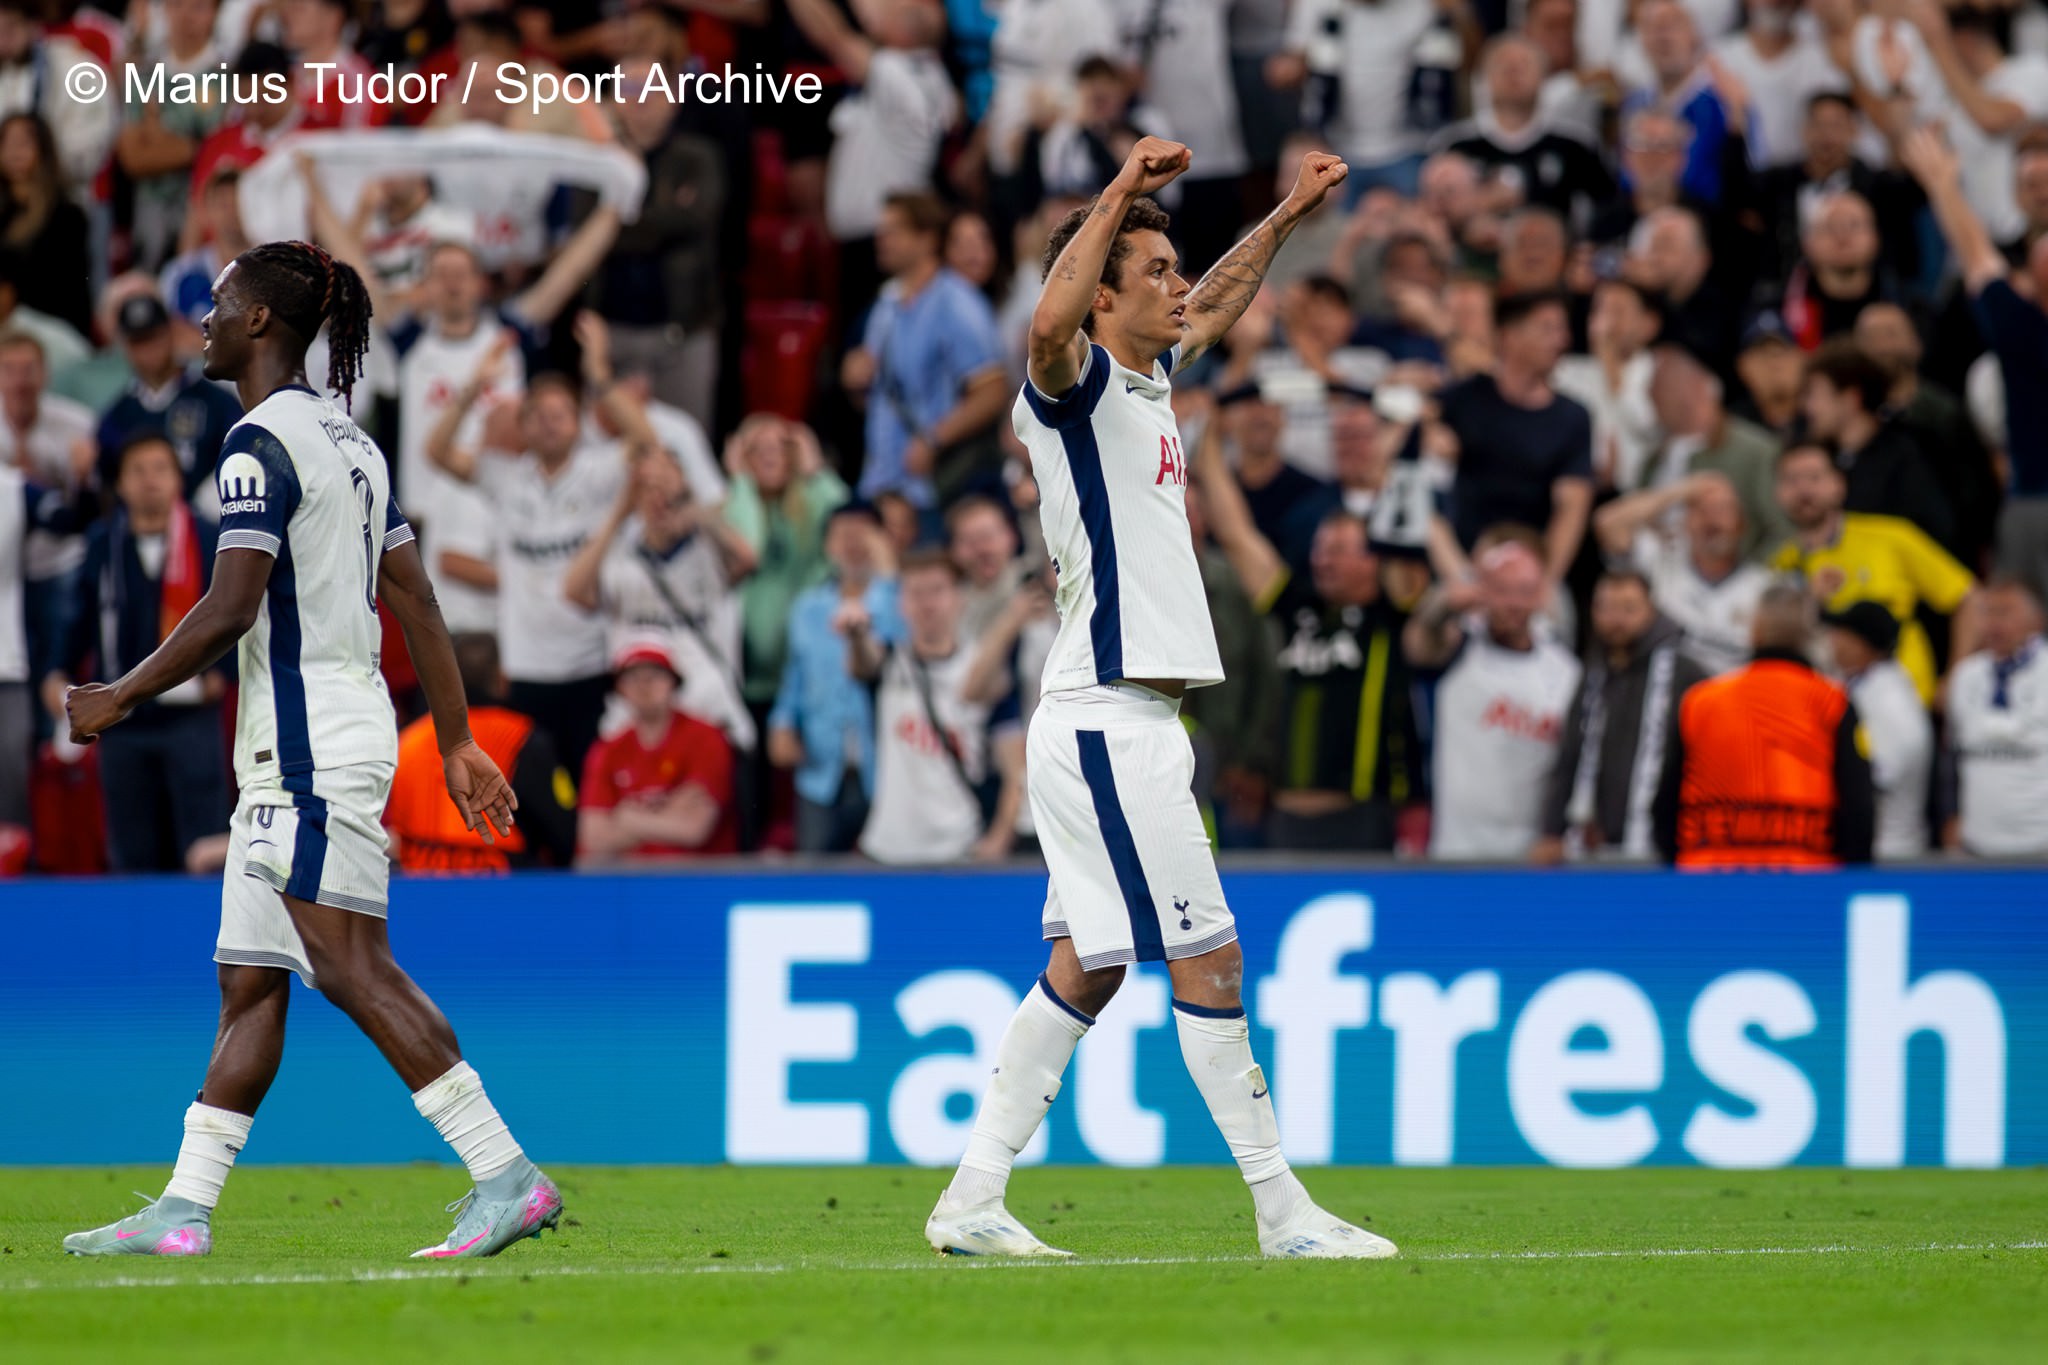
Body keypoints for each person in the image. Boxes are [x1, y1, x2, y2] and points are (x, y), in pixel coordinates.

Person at [928, 139, 1394, 1261]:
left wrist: (1284, 216)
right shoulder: (1070, 387)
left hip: (1118, 721)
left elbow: (1217, 302)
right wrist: (1117, 193)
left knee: (1085, 966)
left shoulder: (1141, 383)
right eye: (1153, 270)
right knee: (1211, 959)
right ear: (1099, 294)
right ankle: (1282, 1213)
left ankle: (971, 1200)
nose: (1179, 285)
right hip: (1105, 720)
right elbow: (1044, 328)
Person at [58, 240, 559, 1259]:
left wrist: (122, 693)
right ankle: (184, 1209)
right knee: (251, 978)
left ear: (257, 324)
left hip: (306, 749)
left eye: (220, 300)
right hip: (315, 737)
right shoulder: (356, 443)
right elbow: (413, 597)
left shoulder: (257, 444)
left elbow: (232, 601)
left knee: (349, 965)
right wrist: (454, 738)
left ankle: (505, 1173)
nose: (203, 314)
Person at [424, 318, 647, 776]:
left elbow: (646, 443)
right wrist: (475, 387)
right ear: (523, 424)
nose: (549, 424)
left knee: (588, 791)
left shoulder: (598, 472)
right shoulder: (505, 477)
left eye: (560, 413)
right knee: (528, 795)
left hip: (590, 664)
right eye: (539, 415)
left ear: (577, 421)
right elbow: (437, 451)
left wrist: (600, 375)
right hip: (525, 667)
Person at [1197, 418, 1423, 852]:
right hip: (1285, 819)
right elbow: (1237, 535)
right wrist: (1208, 447)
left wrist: (1398, 452)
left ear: (1372, 560)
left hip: (1363, 814)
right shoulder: (1296, 607)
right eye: (1320, 549)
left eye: (1339, 549)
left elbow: (1407, 552)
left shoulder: (1389, 611)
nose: (1323, 560)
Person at [44, 434, 229, 871]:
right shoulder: (101, 545)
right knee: (132, 859)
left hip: (192, 723)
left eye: (161, 469)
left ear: (179, 480)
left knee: (204, 854)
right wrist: (58, 681)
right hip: (123, 724)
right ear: (120, 485)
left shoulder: (211, 539)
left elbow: (238, 614)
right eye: (138, 471)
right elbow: (74, 631)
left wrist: (225, 673)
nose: (151, 481)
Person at [1899, 123, 2048, 600]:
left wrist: (1943, 184)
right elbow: (1979, 257)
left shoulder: (2019, 321)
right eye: (2030, 183)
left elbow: (1976, 257)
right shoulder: (2021, 324)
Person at [1652, 583, 1875, 868]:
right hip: (1804, 886)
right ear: (1808, 637)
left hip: (1709, 885)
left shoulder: (1700, 701)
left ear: (1754, 631)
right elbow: (1858, 811)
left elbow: (1664, 807)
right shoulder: (1833, 703)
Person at [1404, 538, 1582, 861]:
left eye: (1524, 591)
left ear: (1541, 594)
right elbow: (1420, 644)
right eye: (1502, 590)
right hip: (1459, 849)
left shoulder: (1565, 670)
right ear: (1481, 591)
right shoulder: (1459, 648)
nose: (1513, 603)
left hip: (1532, 852)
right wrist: (1446, 602)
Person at [850, 548, 1023, 864]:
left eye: (937, 591)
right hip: (886, 849)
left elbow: (1017, 770)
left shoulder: (985, 674)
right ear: (901, 603)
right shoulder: (889, 662)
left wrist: (998, 840)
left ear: (961, 599)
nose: (926, 603)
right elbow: (862, 664)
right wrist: (854, 633)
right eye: (915, 593)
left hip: (959, 849)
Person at [1769, 441, 1976, 705]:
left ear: (1838, 485)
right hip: (1826, 712)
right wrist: (1810, 601)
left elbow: (1968, 596)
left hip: (1905, 703)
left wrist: (1956, 679)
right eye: (1791, 480)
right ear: (1777, 493)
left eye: (1814, 477)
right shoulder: (1778, 567)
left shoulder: (1890, 537)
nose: (1803, 490)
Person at [843, 191, 1007, 517]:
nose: (881, 238)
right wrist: (855, 379)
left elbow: (992, 391)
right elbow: (875, 396)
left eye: (894, 230)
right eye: (881, 230)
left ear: (927, 238)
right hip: (880, 481)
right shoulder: (886, 303)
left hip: (933, 489)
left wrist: (934, 439)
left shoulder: (957, 303)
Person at [1534, 569, 1708, 863]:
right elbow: (1569, 754)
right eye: (1608, 608)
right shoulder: (1591, 673)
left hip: (1661, 847)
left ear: (1651, 610)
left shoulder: (1684, 674)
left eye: (1629, 609)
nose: (1617, 621)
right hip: (1590, 845)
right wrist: (1552, 829)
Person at [767, 500, 905, 853]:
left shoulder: (901, 599)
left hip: (887, 769)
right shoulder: (808, 608)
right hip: (820, 767)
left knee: (886, 872)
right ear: (828, 545)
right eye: (843, 535)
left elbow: (891, 651)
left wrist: (888, 579)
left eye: (863, 535)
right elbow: (795, 677)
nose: (853, 545)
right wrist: (782, 723)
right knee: (813, 876)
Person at [1437, 290, 1594, 589]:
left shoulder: (1573, 418)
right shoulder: (1463, 399)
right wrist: (1461, 577)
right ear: (1509, 336)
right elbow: (1426, 490)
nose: (1562, 341)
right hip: (1460, 568)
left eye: (1562, 329)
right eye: (1548, 329)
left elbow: (1572, 510)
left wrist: (1541, 584)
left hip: (1533, 575)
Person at [386, 633, 577, 874]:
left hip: (418, 886)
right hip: (502, 886)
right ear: (501, 680)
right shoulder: (523, 739)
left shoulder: (407, 740)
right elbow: (563, 834)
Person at [577, 638, 738, 864]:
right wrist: (667, 814)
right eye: (632, 678)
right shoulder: (607, 750)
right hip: (631, 880)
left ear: (673, 682)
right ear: (620, 688)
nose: (644, 686)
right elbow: (593, 838)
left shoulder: (706, 738)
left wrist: (627, 817)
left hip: (699, 877)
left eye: (654, 676)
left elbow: (694, 829)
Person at [1595, 470, 1771, 676]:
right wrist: (1685, 488)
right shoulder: (1660, 563)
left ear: (1742, 524)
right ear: (1685, 521)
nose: (1711, 519)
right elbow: (1608, 524)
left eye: (1723, 509)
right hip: (1665, 696)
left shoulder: (1765, 586)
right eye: (1700, 509)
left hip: (1731, 701)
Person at [94, 292, 243, 507]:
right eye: (138, 342)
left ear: (171, 334)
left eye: (154, 337)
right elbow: (107, 484)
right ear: (125, 347)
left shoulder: (216, 402)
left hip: (208, 523)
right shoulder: (118, 415)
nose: (148, 351)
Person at [1944, 576, 2048, 858]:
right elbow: (1952, 752)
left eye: (2004, 612)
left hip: (2040, 848)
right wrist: (1950, 813)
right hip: (1976, 846)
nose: (1993, 623)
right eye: (1986, 612)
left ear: (2037, 620)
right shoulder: (1966, 675)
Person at [1822, 601, 1931, 861]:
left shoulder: (1891, 699)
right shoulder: (1860, 684)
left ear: (1862, 644)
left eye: (1841, 633)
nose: (1832, 640)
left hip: (1889, 852)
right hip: (1871, 845)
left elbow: (1882, 776)